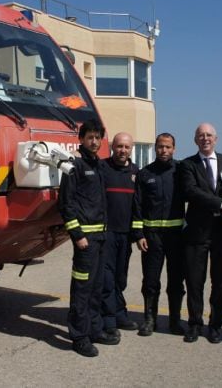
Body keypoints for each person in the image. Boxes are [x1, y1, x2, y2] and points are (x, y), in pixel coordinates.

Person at [58, 119, 120, 358]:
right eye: (90, 137)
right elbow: (66, 204)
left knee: (96, 287)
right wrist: (77, 235)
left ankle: (94, 330)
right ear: (81, 139)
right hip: (86, 240)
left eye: (98, 137)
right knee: (82, 289)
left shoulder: (99, 165)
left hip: (101, 237)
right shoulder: (73, 165)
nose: (94, 141)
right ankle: (79, 336)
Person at [178, 123, 222, 344]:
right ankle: (194, 323)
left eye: (209, 135)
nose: (205, 139)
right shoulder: (187, 165)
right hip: (197, 232)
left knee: (221, 282)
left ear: (216, 139)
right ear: (195, 140)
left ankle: (215, 325)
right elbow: (191, 192)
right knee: (194, 281)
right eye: (201, 136)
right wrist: (221, 203)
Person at [132, 133, 187, 336]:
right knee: (150, 281)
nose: (164, 150)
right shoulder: (145, 174)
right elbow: (137, 206)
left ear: (174, 149)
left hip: (176, 237)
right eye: (160, 147)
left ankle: (175, 321)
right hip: (152, 237)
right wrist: (139, 235)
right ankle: (149, 320)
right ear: (155, 148)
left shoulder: (181, 171)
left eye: (168, 147)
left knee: (176, 282)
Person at [100, 132, 140, 334]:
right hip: (107, 234)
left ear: (131, 149)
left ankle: (119, 313)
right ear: (112, 147)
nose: (122, 150)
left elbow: (138, 205)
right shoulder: (102, 168)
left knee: (120, 277)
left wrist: (138, 233)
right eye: (119, 146)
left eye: (126, 147)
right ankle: (109, 319)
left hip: (126, 235)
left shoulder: (135, 172)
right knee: (107, 279)